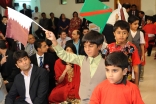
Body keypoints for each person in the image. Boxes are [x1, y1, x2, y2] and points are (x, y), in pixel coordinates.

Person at [45, 30, 106, 104]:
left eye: (91, 46)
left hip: (101, 100)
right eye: (85, 46)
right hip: (83, 100)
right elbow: (64, 55)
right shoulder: (82, 59)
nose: (87, 49)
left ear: (99, 46)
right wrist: (54, 40)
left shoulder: (107, 64)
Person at [103, 20, 141, 86]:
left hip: (127, 80)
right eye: (118, 32)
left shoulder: (132, 48)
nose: (121, 35)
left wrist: (136, 83)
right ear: (114, 33)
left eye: (124, 33)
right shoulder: (108, 47)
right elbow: (103, 64)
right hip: (111, 80)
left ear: (128, 34)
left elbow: (136, 67)